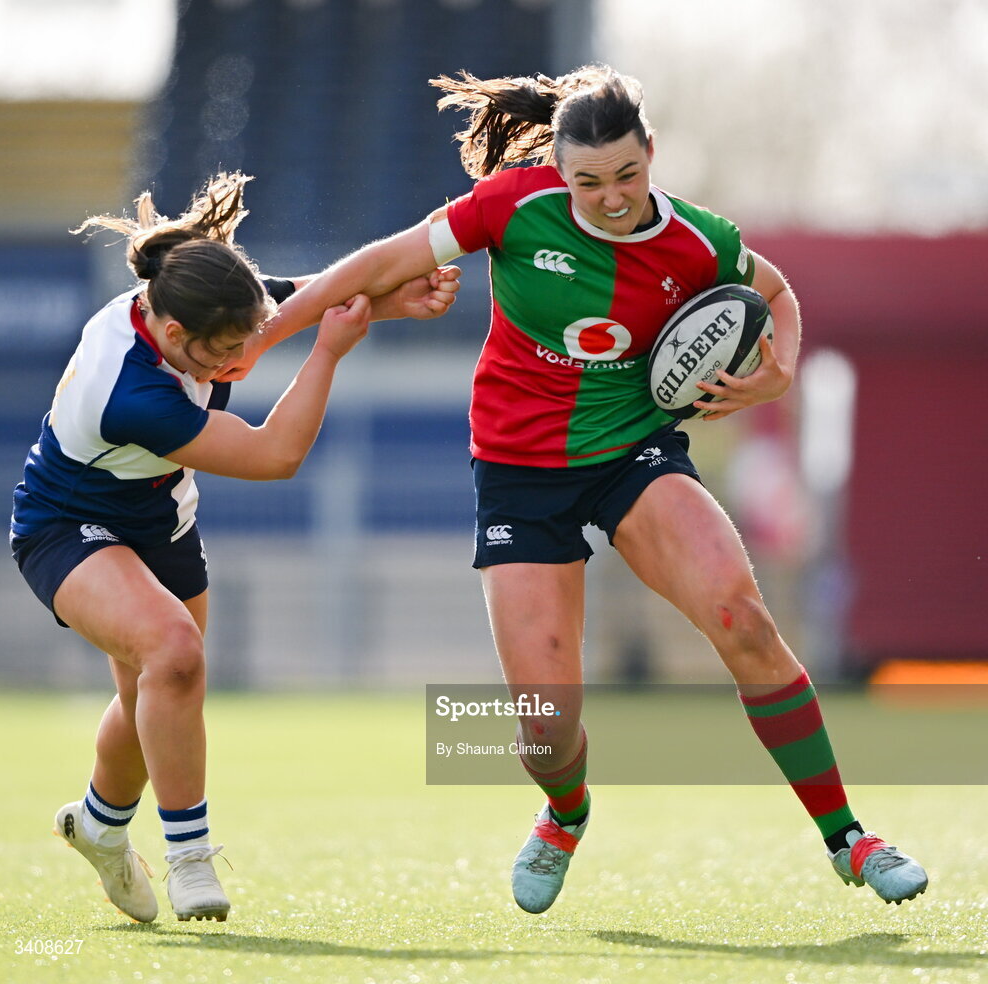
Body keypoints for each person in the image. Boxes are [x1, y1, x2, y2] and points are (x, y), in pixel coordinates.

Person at [222, 67, 928, 913]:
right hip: (518, 473)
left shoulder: (701, 241)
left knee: (742, 615)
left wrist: (778, 371)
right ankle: (565, 813)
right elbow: (380, 264)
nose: (611, 198)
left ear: (652, 157)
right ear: (560, 170)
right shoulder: (513, 207)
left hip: (633, 454)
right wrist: (267, 336)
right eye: (589, 181)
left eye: (628, 176)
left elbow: (774, 292)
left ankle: (850, 838)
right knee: (544, 728)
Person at [10, 172, 459, 923]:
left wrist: (391, 302)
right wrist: (330, 353)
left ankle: (98, 825)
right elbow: (275, 455)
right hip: (68, 526)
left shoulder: (204, 306)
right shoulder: (132, 391)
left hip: (164, 523)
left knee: (152, 694)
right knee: (175, 656)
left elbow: (303, 300)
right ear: (177, 338)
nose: (243, 358)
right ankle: (189, 858)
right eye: (227, 352)